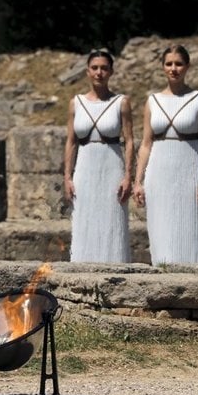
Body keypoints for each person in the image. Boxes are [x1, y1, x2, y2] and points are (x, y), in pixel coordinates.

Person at [133, 45, 198, 264]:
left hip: (189, 172)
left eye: (178, 63)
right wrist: (138, 181)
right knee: (161, 234)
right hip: (158, 174)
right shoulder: (152, 101)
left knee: (190, 232)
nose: (174, 68)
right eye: (169, 64)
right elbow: (146, 144)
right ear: (163, 67)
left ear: (187, 66)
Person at [63, 50, 134, 262]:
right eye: (95, 68)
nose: (99, 72)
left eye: (104, 68)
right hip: (84, 167)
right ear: (87, 71)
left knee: (112, 219)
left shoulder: (121, 102)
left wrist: (128, 176)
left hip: (112, 165)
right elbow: (71, 141)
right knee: (84, 218)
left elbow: (129, 140)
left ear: (111, 71)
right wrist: (67, 176)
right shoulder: (76, 103)